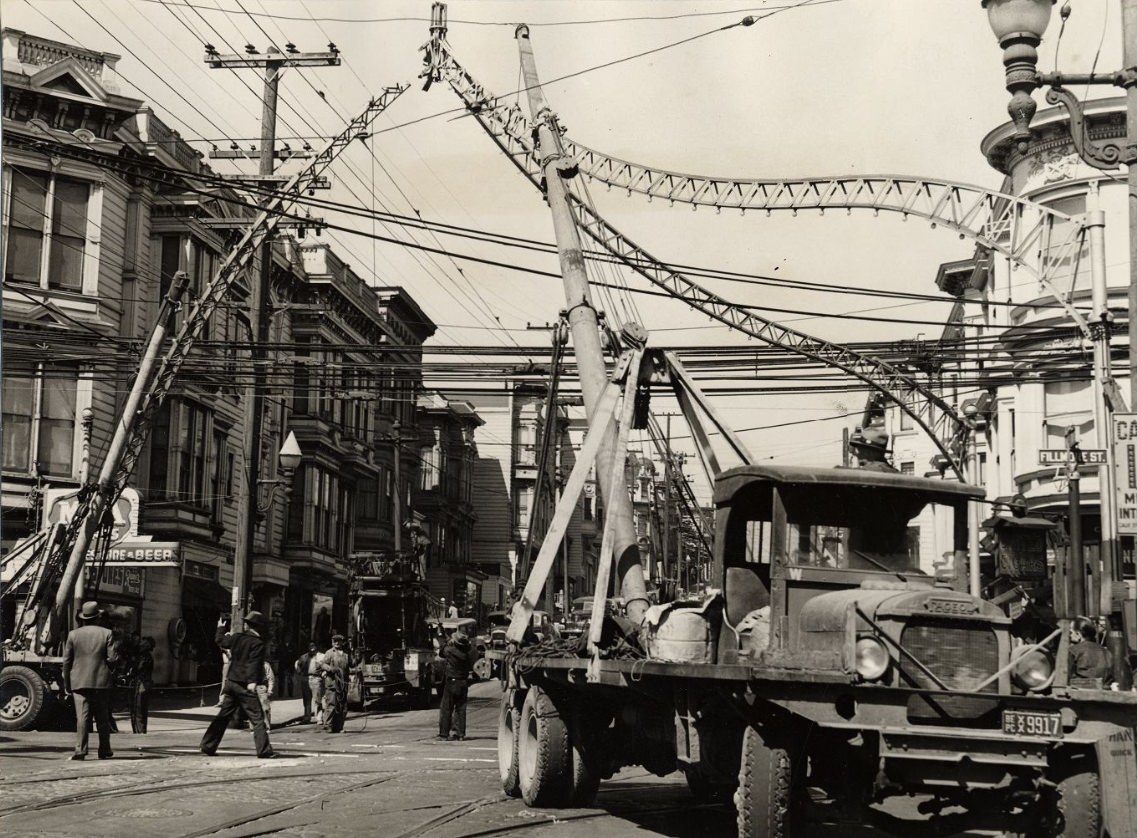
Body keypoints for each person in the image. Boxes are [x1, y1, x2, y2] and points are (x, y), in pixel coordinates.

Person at [200, 611, 276, 758]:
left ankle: (208, 745)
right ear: (259, 627)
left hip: (232, 682)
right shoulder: (257, 643)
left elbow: (220, 641)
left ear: (247, 624)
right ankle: (264, 751)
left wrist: (220, 628)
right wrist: (252, 681)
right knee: (258, 718)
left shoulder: (237, 638)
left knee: (223, 716)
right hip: (245, 685)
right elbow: (253, 663)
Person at [62, 601, 120, 760]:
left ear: (84, 618)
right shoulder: (107, 633)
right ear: (98, 617)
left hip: (79, 682)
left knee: (82, 718)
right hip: (101, 682)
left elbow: (66, 662)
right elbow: (113, 658)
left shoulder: (73, 635)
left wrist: (67, 684)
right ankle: (105, 749)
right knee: (102, 718)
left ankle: (80, 750)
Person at [438, 625, 476, 741]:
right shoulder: (469, 653)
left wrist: (446, 640)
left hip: (451, 681)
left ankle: (444, 734)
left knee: (447, 708)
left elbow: (441, 652)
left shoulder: (450, 650)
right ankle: (460, 734)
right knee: (461, 709)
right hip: (463, 681)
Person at [1069, 616, 1114, 687]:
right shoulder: (1106, 652)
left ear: (1078, 634)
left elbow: (1065, 675)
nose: (1070, 635)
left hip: (1080, 692)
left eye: (1071, 632)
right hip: (1104, 690)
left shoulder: (1073, 651)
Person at [319, 634, 350, 733]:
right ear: (332, 642)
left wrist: (357, 656)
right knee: (331, 705)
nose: (337, 643)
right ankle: (328, 725)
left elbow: (352, 664)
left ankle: (339, 726)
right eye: (335, 641)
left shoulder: (346, 654)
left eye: (339, 641)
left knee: (342, 706)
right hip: (332, 683)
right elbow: (323, 664)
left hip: (343, 684)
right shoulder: (329, 653)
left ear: (342, 642)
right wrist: (331, 669)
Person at [130, 637, 155, 734]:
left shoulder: (143, 656)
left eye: (143, 641)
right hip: (145, 684)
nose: (140, 642)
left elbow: (138, 669)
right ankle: (141, 730)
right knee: (142, 710)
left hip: (141, 684)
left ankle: (139, 731)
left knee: (138, 709)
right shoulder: (146, 656)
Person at [295, 641, 319, 723]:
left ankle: (319, 717)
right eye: (310, 646)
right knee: (306, 699)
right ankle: (307, 717)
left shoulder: (320, 656)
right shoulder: (303, 657)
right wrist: (300, 672)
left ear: (316, 647)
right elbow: (298, 665)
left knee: (317, 699)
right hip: (306, 678)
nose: (312, 647)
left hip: (316, 678)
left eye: (313, 645)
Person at [257, 659, 276, 727]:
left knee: (265, 708)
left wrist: (270, 689)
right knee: (253, 709)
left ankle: (267, 726)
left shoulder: (265, 665)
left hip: (262, 687)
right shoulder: (249, 663)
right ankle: (254, 727)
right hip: (252, 688)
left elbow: (271, 678)